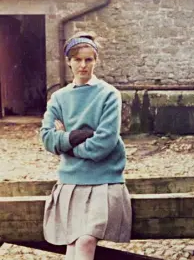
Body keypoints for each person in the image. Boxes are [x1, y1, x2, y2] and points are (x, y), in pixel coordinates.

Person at [40, 31, 131, 260]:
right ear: (69, 62)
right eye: (77, 59)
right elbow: (48, 139)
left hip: (104, 180)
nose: (83, 65)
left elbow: (104, 144)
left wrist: (67, 142)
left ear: (95, 61)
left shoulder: (109, 95)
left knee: (85, 241)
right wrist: (75, 137)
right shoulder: (59, 98)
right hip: (71, 182)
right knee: (72, 245)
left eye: (88, 59)